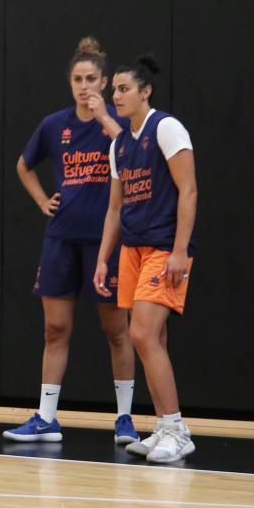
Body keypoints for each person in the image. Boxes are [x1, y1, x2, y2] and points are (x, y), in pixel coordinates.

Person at [3, 37, 140, 446]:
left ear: (105, 82)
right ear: (70, 82)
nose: (85, 87)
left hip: (106, 241)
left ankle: (125, 418)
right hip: (62, 237)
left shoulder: (118, 122)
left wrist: (105, 120)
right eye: (78, 79)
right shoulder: (54, 125)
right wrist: (44, 199)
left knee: (117, 330)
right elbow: (24, 166)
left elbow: (133, 155)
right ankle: (46, 418)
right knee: (55, 329)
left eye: (93, 79)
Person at [93, 54, 198, 463]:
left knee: (140, 334)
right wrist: (103, 259)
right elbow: (114, 210)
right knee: (150, 339)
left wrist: (180, 250)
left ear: (145, 91)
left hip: (163, 247)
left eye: (123, 89)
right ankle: (164, 426)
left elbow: (188, 191)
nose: (116, 95)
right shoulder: (120, 145)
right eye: (114, 89)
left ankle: (176, 428)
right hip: (131, 249)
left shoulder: (167, 128)